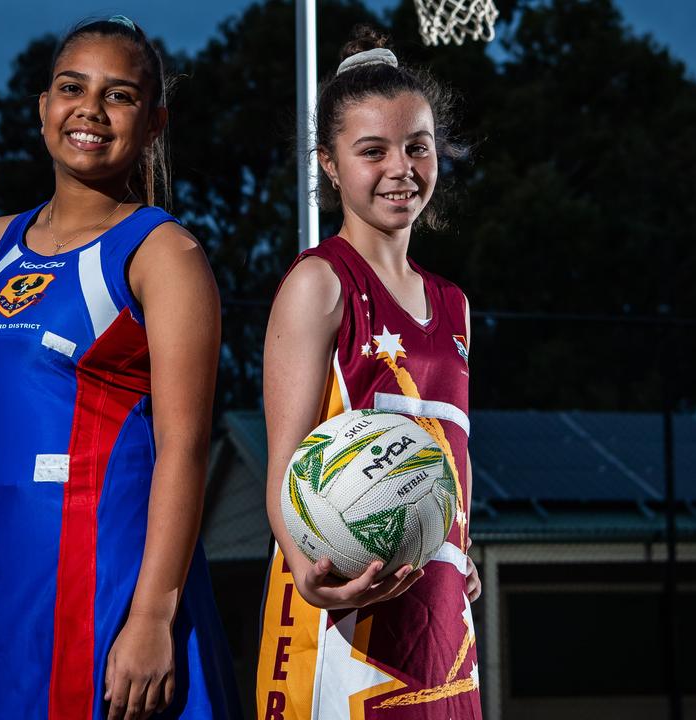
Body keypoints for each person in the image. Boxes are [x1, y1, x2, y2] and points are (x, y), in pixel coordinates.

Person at [0, 16, 239, 720]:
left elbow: (185, 449)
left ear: (152, 123)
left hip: (118, 581)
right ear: (42, 106)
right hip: (1, 583)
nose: (89, 109)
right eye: (72, 87)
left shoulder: (162, 253)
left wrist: (153, 617)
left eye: (118, 95)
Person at [256, 26, 483, 719]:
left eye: (417, 146)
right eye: (372, 151)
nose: (401, 168)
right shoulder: (319, 282)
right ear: (328, 162)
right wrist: (308, 573)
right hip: (345, 617)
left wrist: (456, 546)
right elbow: (285, 467)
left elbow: (448, 456)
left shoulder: (454, 302)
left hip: (442, 619)